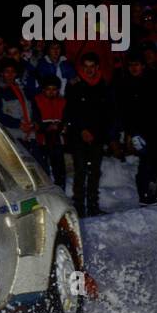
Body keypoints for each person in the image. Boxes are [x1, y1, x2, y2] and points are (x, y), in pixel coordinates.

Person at [64, 53, 117, 217]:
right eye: (85, 67)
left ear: (97, 67)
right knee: (80, 171)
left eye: (92, 66)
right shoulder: (74, 85)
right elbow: (70, 111)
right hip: (79, 135)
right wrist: (82, 130)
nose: (89, 70)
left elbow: (108, 112)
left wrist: (105, 134)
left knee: (94, 171)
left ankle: (93, 205)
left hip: (97, 135)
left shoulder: (104, 85)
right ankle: (79, 206)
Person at [114, 55, 157, 204]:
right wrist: (131, 134)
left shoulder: (154, 80)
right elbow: (124, 112)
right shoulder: (124, 85)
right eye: (131, 65)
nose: (134, 68)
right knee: (146, 161)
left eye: (137, 64)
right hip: (139, 130)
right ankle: (145, 194)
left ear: (143, 66)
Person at [32, 76, 68, 190]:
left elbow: (66, 119)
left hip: (57, 138)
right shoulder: (37, 100)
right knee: (43, 169)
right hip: (42, 139)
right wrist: (46, 127)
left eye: (54, 89)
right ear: (43, 90)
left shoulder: (62, 101)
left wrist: (60, 126)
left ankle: (61, 190)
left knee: (59, 169)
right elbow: (35, 119)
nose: (51, 92)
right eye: (48, 89)